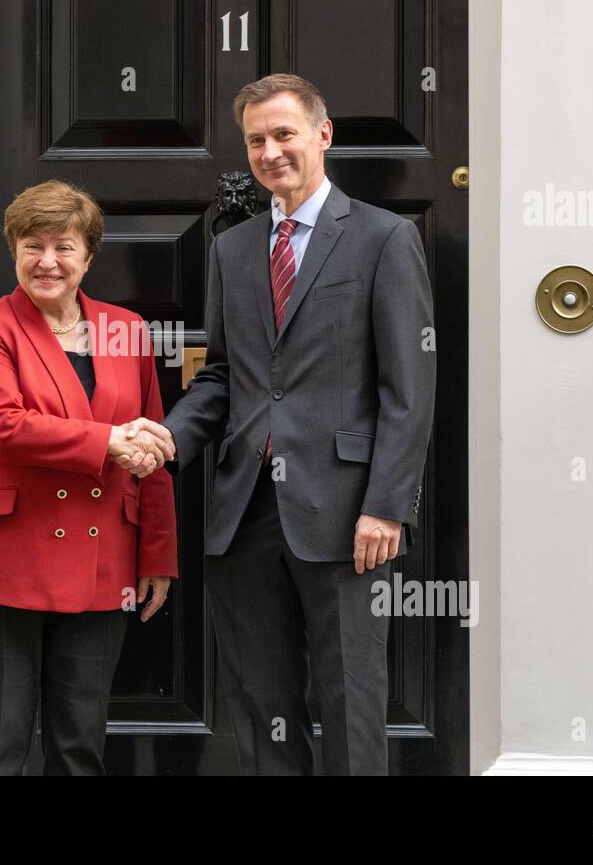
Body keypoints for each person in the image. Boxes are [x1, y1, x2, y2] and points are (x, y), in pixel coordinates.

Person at [124, 73, 436, 775]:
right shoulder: (232, 251)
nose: (271, 152)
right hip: (243, 513)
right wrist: (171, 435)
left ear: (323, 135)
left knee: (352, 698)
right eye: (256, 140)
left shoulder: (384, 240)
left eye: (284, 134)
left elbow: (409, 388)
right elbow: (224, 375)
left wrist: (386, 505)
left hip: (345, 512)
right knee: (262, 706)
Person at [0, 179, 178, 775]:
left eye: (63, 247)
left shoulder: (127, 330)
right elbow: (5, 426)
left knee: (79, 747)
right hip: (2, 560)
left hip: (101, 562)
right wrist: (109, 441)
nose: (47, 262)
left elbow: (153, 448)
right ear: (13, 250)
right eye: (31, 245)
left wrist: (157, 555)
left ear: (88, 256)